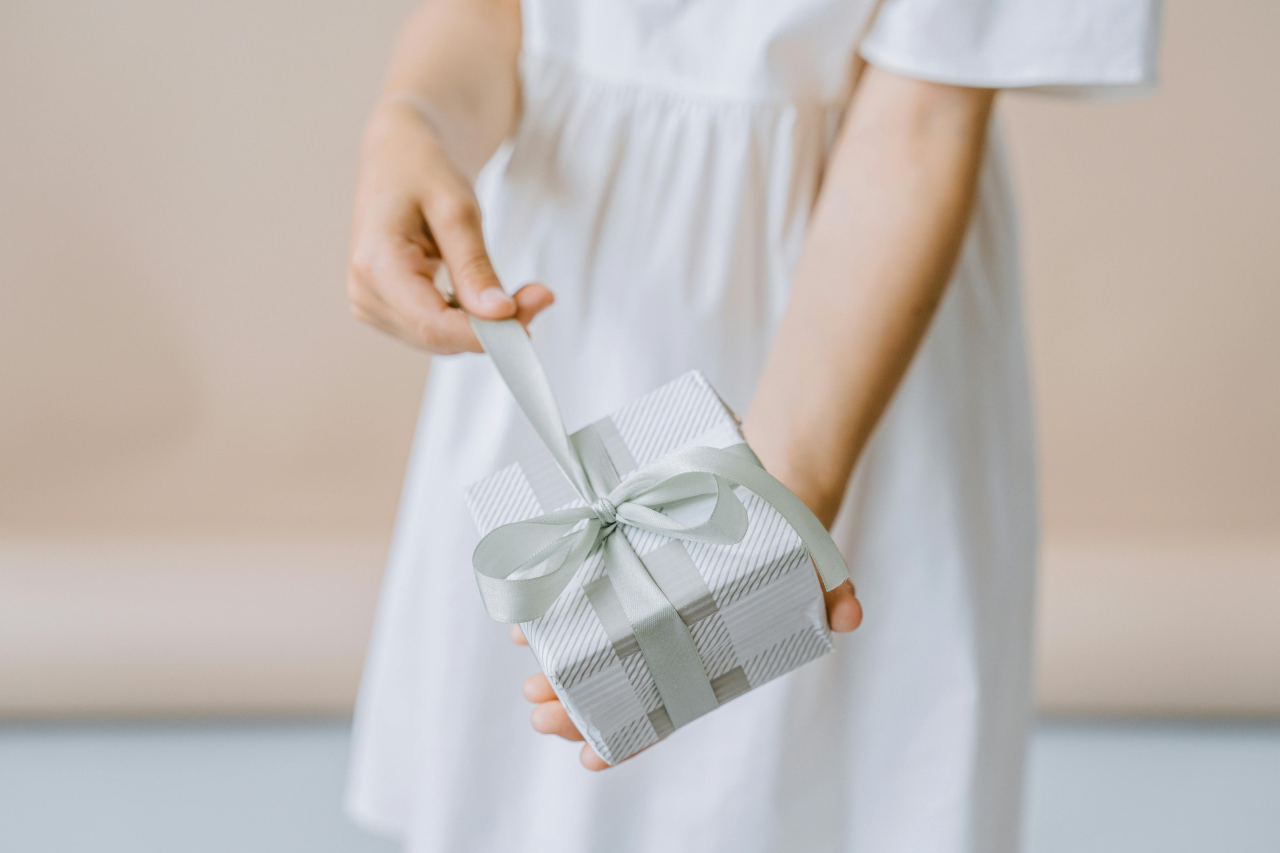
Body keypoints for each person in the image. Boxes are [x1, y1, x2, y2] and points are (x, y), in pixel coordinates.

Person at [343, 1, 1161, 850]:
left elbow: (922, 119)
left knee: (826, 790)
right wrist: (414, 120)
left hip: (843, 352)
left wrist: (777, 495)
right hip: (567, 312)